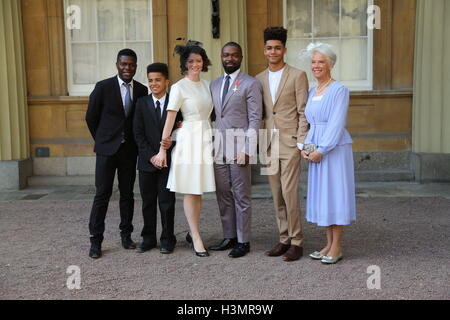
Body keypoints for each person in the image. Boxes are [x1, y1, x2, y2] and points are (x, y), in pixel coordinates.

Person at [153, 41, 215, 257]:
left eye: (198, 60)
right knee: (190, 189)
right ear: (184, 64)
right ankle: (197, 237)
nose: (195, 64)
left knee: (198, 190)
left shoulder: (208, 85)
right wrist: (163, 149)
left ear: (203, 62)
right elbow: (170, 118)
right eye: (191, 61)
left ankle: (193, 231)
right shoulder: (179, 87)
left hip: (205, 138)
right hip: (188, 139)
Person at [85, 49, 148, 259]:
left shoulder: (141, 90)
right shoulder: (103, 87)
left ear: (136, 66)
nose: (127, 68)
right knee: (102, 194)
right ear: (117, 65)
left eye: (131, 65)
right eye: (123, 64)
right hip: (106, 151)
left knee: (127, 194)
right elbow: (91, 118)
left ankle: (126, 235)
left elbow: (140, 120)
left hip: (129, 152)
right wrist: (103, 140)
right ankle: (96, 241)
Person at [255, 27, 309, 262]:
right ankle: (283, 238)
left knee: (290, 194)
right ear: (264, 50)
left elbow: (303, 111)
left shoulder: (297, 75)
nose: (273, 51)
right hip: (269, 143)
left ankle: (297, 242)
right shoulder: (258, 79)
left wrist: (301, 142)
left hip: (290, 143)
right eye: (269, 47)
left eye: (277, 47)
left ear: (284, 50)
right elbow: (260, 113)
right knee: (276, 195)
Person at [300, 43, 356, 264]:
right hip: (317, 150)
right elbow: (312, 124)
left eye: (321, 62)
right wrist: (308, 149)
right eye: (313, 62)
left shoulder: (339, 90)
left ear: (330, 64)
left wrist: (321, 150)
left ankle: (337, 246)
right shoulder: (312, 91)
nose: (316, 66)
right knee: (323, 197)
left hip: (334, 151)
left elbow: (336, 124)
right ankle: (327, 243)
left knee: (335, 195)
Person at [208, 42, 263, 258]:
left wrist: (248, 149)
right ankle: (229, 236)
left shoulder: (250, 84)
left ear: (240, 57)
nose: (229, 58)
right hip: (219, 146)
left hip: (239, 147)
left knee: (241, 195)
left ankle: (243, 240)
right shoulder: (214, 84)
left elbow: (255, 118)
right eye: (225, 55)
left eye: (234, 55)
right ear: (221, 57)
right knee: (223, 194)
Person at [133, 63, 183, 254]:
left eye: (158, 80)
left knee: (167, 202)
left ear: (166, 82)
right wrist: (152, 156)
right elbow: (137, 134)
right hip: (147, 162)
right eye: (150, 80)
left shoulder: (175, 104)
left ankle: (167, 239)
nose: (154, 84)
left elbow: (181, 130)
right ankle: (148, 239)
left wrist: (173, 143)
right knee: (147, 202)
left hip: (168, 162)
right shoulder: (141, 103)